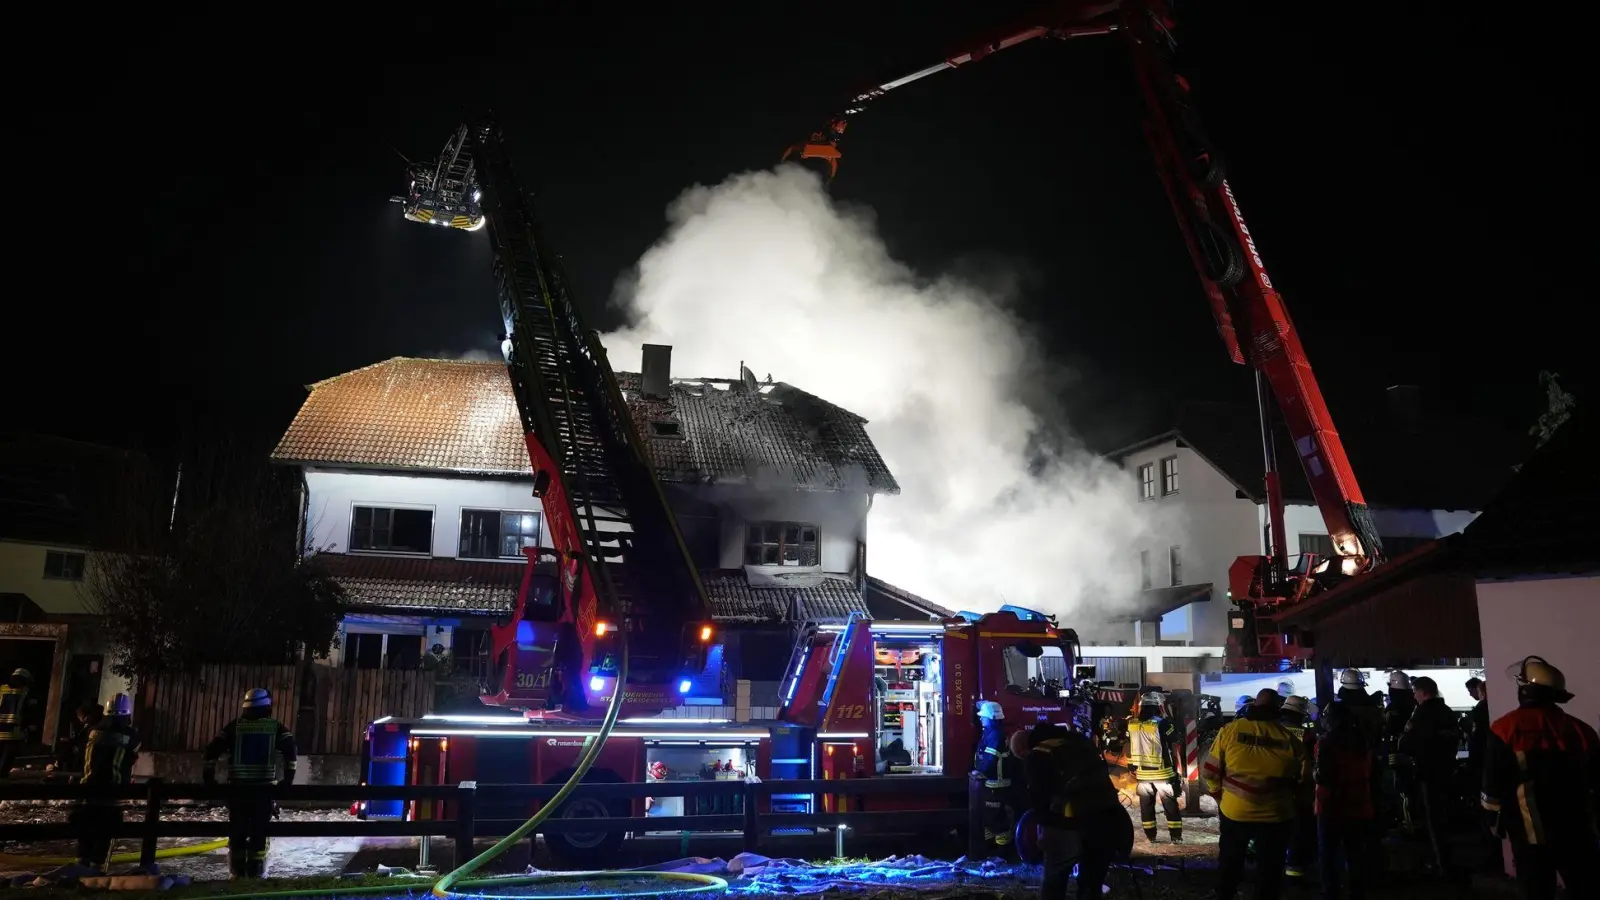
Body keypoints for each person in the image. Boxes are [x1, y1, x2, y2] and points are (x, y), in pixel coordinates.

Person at [1481, 655, 1599, 900]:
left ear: (1525, 691)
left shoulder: (1505, 728)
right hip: (1577, 829)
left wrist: (1492, 818)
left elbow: (1493, 781)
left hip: (1530, 833)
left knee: (1537, 892)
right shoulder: (1581, 729)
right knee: (1585, 888)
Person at [1203, 688, 1308, 900]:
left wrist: (1218, 796)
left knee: (1230, 859)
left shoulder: (1230, 731)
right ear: (1277, 709)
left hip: (1235, 811)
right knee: (1270, 866)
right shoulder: (1289, 739)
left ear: (1253, 706)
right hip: (1276, 814)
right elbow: (1304, 782)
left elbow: (1211, 772)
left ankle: (1224, 894)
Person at [1017, 722, 1131, 900]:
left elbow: (1040, 800)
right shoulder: (1078, 740)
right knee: (1091, 884)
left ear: (1024, 750)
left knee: (1055, 880)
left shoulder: (1038, 754)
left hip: (1071, 821)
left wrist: (1045, 833)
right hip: (1108, 816)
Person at [203, 688, 298, 879]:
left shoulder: (233, 728)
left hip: (237, 793)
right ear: (267, 707)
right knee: (259, 835)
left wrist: (209, 780)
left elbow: (211, 752)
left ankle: (237, 875)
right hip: (263, 793)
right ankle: (256, 875)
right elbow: (291, 752)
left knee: (237, 834)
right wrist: (287, 781)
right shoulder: (276, 727)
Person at [1395, 675, 1459, 874]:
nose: (1413, 696)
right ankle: (1447, 859)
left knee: (1432, 819)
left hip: (1427, 772)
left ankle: (1441, 862)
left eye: (1415, 692)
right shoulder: (1447, 712)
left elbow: (1405, 743)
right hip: (1447, 770)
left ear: (1423, 692)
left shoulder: (1421, 714)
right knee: (1445, 816)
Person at [74, 694, 140, 872]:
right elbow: (132, 757)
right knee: (105, 836)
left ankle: (80, 870)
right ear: (127, 714)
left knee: (85, 835)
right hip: (114, 793)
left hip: (87, 791)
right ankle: (97, 871)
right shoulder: (131, 736)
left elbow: (80, 755)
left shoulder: (91, 731)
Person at [1315, 702, 1374, 900]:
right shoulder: (1362, 740)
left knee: (1329, 853)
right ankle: (1357, 891)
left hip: (1331, 805)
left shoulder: (1326, 743)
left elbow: (1323, 775)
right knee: (1355, 851)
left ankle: (1330, 891)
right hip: (1358, 803)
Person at [1128, 691, 1183, 843]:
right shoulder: (1162, 723)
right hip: (1162, 772)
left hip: (1142, 775)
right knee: (1170, 806)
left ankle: (1150, 836)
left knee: (1146, 807)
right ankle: (1175, 836)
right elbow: (1175, 737)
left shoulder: (1132, 724)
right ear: (1157, 707)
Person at [1279, 695, 1318, 882]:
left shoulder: (1273, 729)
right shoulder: (1307, 734)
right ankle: (1295, 867)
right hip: (1300, 786)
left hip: (1275, 784)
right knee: (1301, 825)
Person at [971, 700, 1015, 854]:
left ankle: (1003, 854)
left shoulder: (995, 735)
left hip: (997, 785)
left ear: (990, 718)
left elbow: (989, 760)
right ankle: (993, 853)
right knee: (990, 819)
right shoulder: (992, 733)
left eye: (983, 717)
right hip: (992, 783)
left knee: (997, 820)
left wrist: (980, 771)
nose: (980, 719)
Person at [0, 668, 34, 777]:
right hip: (12, 732)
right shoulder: (24, 692)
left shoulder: (2, 689)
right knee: (6, 760)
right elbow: (27, 713)